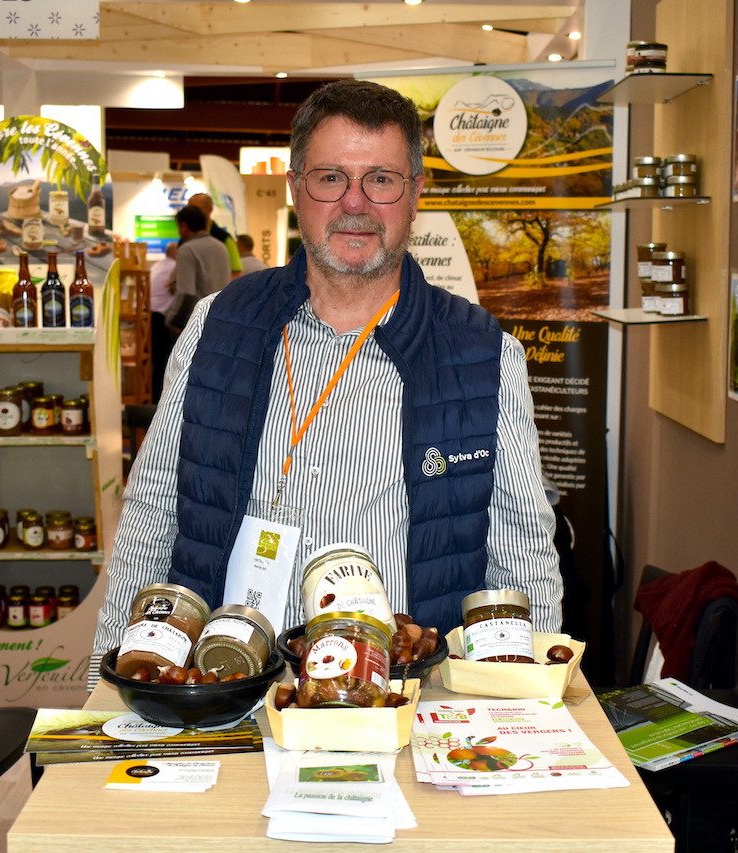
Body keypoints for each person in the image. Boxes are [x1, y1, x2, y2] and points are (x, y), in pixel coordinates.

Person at [90, 79, 561, 681]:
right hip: (226, 689)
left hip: (401, 699)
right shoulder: (218, 326)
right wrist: (106, 687)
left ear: (415, 194)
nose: (355, 203)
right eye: (331, 177)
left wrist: (535, 697)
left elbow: (522, 555)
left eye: (381, 180)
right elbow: (151, 515)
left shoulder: (481, 353)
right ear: (295, 188)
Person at [170, 204, 232, 329]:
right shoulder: (221, 246)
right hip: (222, 317)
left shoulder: (187, 249)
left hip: (197, 322)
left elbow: (187, 295)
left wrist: (173, 322)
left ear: (184, 226)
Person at [188, 192, 243, 279]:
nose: (192, 214)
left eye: (197, 209)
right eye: (189, 209)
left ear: (210, 209)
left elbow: (237, 272)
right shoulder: (186, 237)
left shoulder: (224, 238)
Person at [148, 242, 179, 401]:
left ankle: (154, 399)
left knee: (156, 362)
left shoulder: (157, 266)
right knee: (164, 363)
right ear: (176, 254)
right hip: (161, 319)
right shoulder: (175, 268)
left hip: (149, 316)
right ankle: (161, 399)